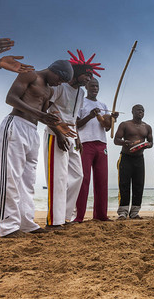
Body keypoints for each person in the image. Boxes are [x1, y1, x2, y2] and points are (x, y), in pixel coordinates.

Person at [0, 60, 74, 237]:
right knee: (11, 176)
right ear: (54, 71)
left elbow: (43, 116)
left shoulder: (50, 90)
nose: (59, 84)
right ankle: (8, 226)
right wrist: (39, 114)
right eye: (60, 79)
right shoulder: (30, 74)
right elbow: (10, 98)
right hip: (15, 125)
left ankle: (26, 222)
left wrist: (58, 127)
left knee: (28, 179)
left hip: (32, 131)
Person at [44, 50, 104, 229]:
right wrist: (60, 133)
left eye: (91, 76)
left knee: (78, 176)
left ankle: (65, 217)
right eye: (87, 74)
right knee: (58, 177)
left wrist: (76, 137)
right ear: (77, 73)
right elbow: (47, 110)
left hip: (71, 135)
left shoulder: (79, 93)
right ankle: (53, 222)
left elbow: (74, 117)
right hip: (56, 134)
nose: (89, 79)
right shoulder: (59, 87)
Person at [73, 78, 118, 223]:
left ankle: (101, 215)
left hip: (101, 144)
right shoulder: (81, 103)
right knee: (84, 179)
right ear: (86, 86)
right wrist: (90, 116)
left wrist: (112, 119)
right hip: (86, 143)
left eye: (97, 86)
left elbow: (106, 127)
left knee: (102, 180)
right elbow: (77, 124)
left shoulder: (103, 105)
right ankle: (79, 216)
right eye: (92, 85)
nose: (95, 88)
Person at [114, 104, 153, 219]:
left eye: (142, 110)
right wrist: (124, 142)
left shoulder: (147, 127)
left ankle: (134, 212)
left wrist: (146, 145)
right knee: (124, 184)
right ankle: (122, 212)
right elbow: (116, 140)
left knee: (139, 184)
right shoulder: (125, 124)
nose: (140, 112)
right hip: (126, 157)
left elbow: (151, 142)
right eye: (138, 110)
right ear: (132, 111)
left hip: (139, 158)